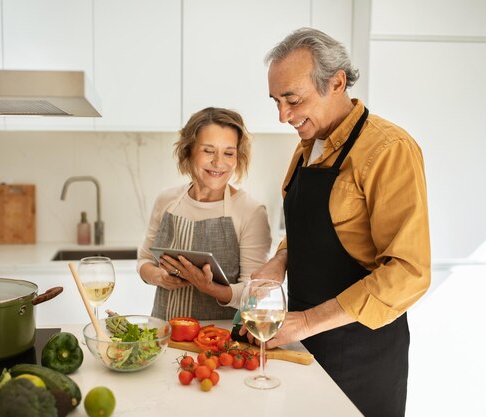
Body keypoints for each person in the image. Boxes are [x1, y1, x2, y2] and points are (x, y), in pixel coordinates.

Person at [249, 28, 431, 417]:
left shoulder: (388, 150)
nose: (283, 116)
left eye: (292, 100)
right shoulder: (304, 150)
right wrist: (278, 262)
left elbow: (409, 272)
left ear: (336, 82)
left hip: (362, 355)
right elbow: (310, 232)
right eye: (276, 101)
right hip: (301, 343)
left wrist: (306, 322)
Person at [137, 107, 272, 321]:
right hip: (163, 333)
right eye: (208, 151)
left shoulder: (250, 211)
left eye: (229, 153)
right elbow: (144, 261)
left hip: (219, 342)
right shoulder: (167, 200)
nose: (219, 162)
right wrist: (160, 277)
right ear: (188, 150)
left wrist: (209, 288)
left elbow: (252, 293)